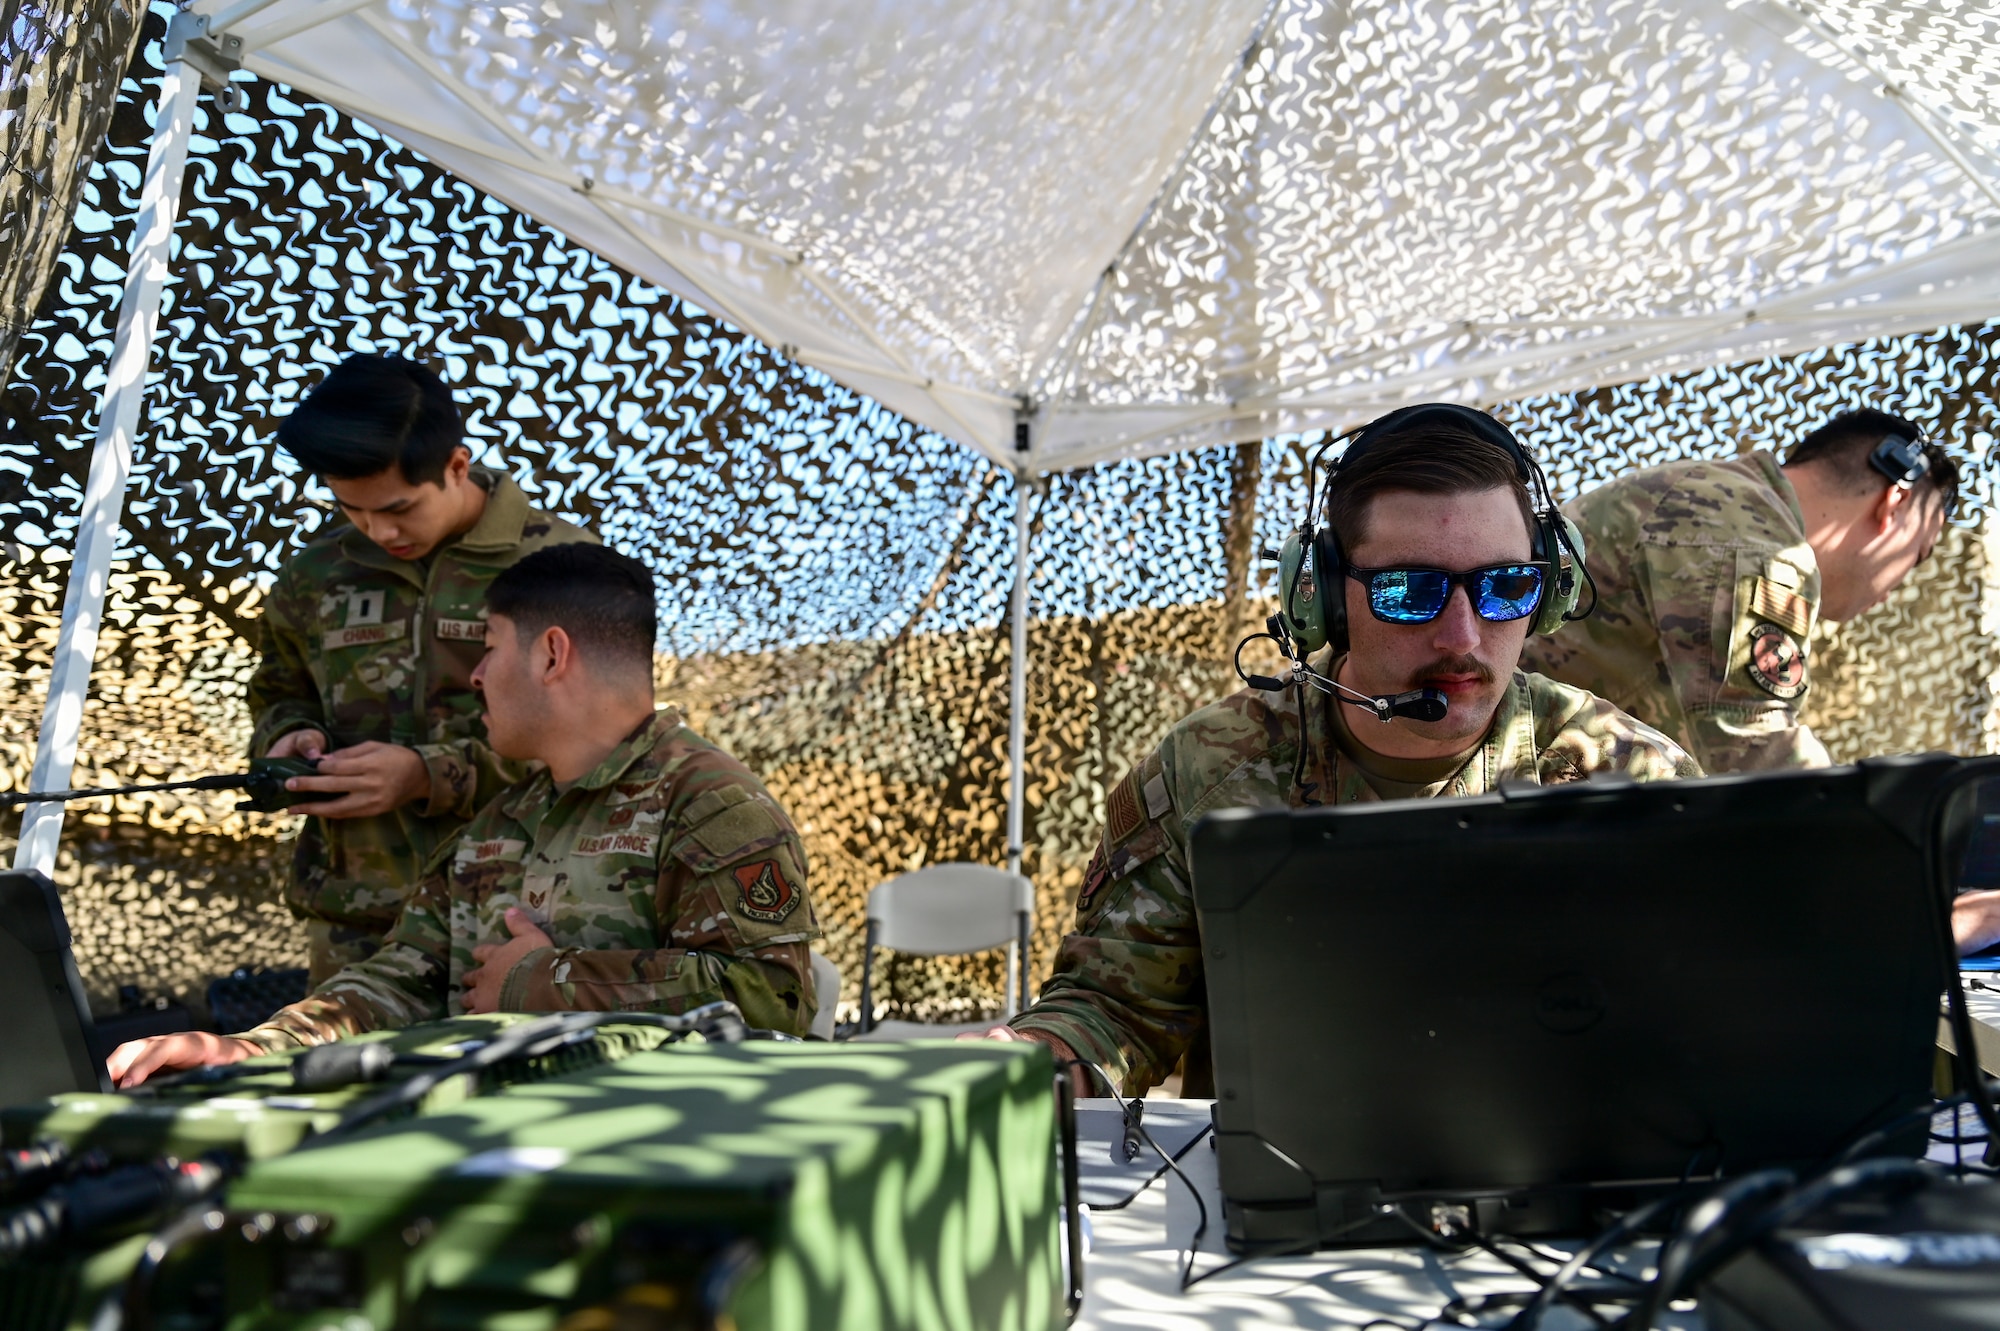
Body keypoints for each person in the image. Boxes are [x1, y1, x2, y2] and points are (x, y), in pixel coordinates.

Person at [973, 404, 1701, 1098]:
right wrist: (1025, 1065)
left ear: (1547, 592)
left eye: (1505, 586)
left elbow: (1714, 1006)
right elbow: (1115, 1011)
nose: (1464, 637)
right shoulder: (1211, 770)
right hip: (1279, 1209)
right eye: (1410, 591)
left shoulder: (1628, 778)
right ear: (1321, 597)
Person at [111, 545, 819, 1086]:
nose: (474, 677)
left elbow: (771, 1002)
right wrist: (244, 1049)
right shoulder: (498, 825)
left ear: (551, 654)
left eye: (487, 648)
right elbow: (401, 981)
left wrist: (546, 982)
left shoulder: (709, 805)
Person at [249, 353, 596, 984]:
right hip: (360, 918)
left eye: (401, 507)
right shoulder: (317, 571)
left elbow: (600, 741)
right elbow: (278, 687)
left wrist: (428, 776)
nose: (379, 530)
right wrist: (289, 735)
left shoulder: (563, 566)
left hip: (519, 915)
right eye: (353, 508)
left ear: (456, 465)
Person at [1521, 409, 1958, 774]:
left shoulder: (1724, 501)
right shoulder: (1756, 542)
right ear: (1894, 505)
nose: (1895, 588)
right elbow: (1757, 752)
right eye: (1917, 556)